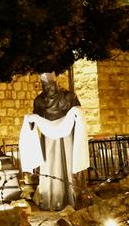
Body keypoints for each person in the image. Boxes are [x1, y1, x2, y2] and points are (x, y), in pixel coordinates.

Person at [19, 73, 88, 211]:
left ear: (56, 83)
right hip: (48, 137)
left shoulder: (69, 97)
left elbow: (78, 114)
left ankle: (72, 198)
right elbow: (36, 117)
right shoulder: (39, 101)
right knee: (51, 164)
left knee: (68, 165)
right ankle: (53, 198)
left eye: (51, 85)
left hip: (67, 136)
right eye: (46, 86)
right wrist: (31, 122)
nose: (49, 89)